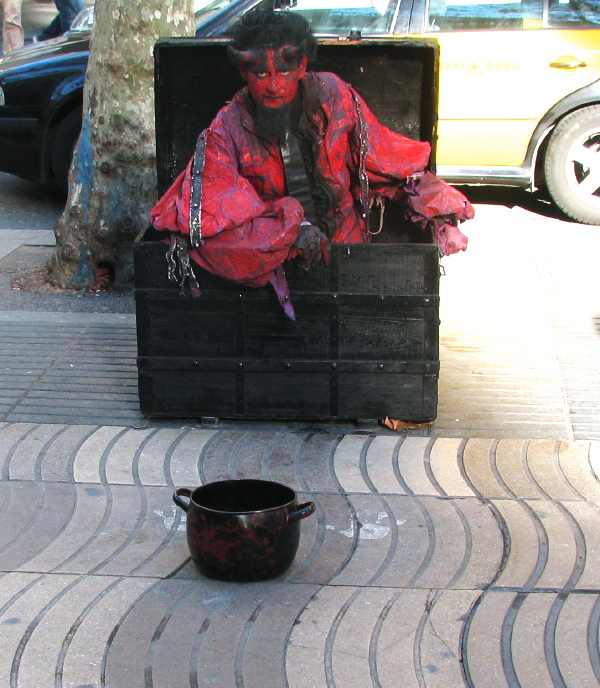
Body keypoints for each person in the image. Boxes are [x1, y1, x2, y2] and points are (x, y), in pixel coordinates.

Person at [150, 9, 473, 318]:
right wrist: (289, 230)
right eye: (261, 74)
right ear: (244, 72)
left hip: (348, 250)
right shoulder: (227, 127)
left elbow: (384, 159)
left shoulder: (335, 96)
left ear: (302, 66)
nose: (274, 85)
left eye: (284, 72)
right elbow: (208, 207)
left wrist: (438, 213)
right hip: (272, 263)